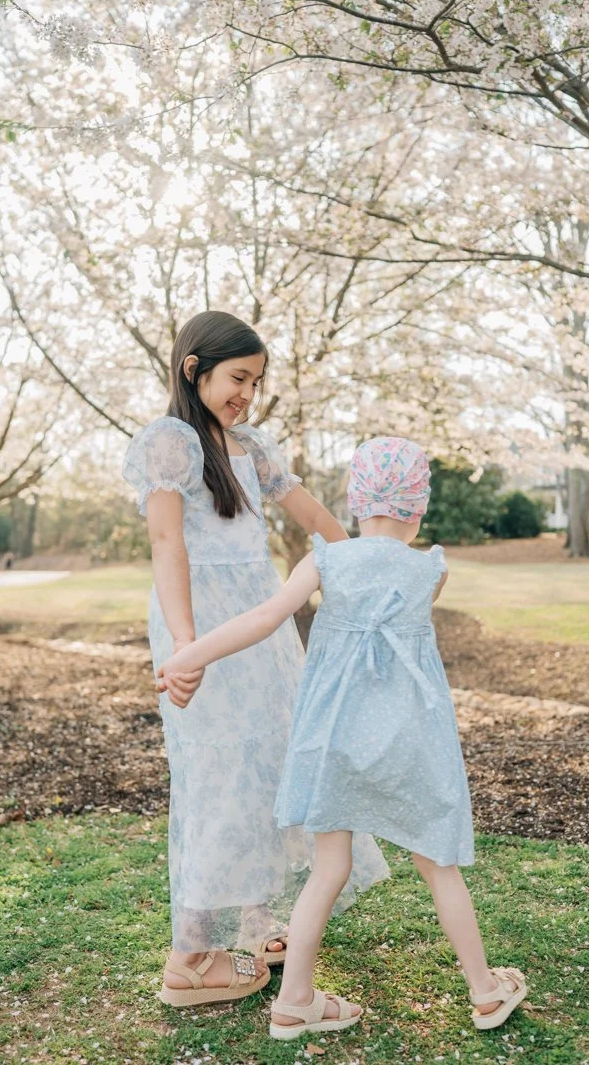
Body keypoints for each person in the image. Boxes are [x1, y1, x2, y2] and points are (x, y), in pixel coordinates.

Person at [158, 435, 528, 1035]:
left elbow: (264, 618)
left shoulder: (327, 560)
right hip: (410, 744)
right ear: (418, 505)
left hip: (330, 742)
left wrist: (191, 654)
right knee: (438, 865)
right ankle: (485, 991)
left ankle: (294, 1002)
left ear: (357, 501)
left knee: (329, 869)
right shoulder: (430, 568)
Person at [122, 311, 388, 1008]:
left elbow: (313, 517)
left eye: (256, 381)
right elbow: (166, 545)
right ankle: (190, 960)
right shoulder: (170, 443)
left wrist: (376, 559)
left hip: (264, 622)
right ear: (193, 368)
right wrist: (187, 646)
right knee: (217, 773)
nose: (247, 393)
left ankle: (258, 921)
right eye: (238, 378)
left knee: (273, 758)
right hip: (202, 623)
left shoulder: (249, 444)